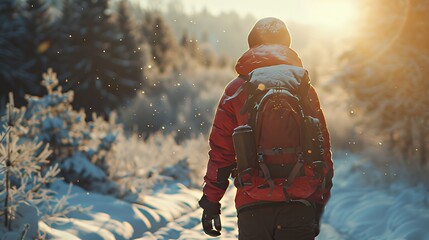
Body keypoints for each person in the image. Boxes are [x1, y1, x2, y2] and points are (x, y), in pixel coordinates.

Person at [198, 17, 333, 240]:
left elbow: (221, 153)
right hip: (299, 202)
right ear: (286, 46)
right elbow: (322, 149)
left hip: (252, 202)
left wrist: (211, 201)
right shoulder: (304, 90)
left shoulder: (236, 89)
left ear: (252, 46)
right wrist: (318, 203)